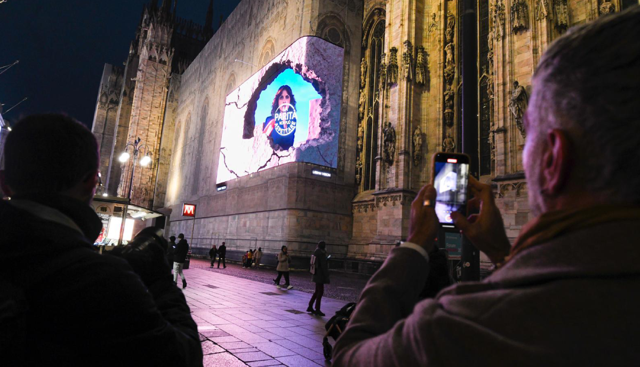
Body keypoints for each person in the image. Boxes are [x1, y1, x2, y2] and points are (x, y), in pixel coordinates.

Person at [333, 8, 640, 366]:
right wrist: (502, 254)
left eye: (529, 136)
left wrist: (414, 245)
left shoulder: (462, 331)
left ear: (554, 159)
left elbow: (349, 358)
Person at [0, 114, 202, 366]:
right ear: (90, 182)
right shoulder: (101, 280)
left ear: (4, 183)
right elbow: (183, 358)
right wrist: (160, 281)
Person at [262, 85, 297, 150]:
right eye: (281, 97)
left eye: (287, 97)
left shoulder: (293, 120)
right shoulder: (270, 120)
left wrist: (284, 121)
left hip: (287, 157)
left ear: (290, 100)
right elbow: (264, 141)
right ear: (277, 101)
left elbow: (288, 141)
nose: (284, 101)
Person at [307, 241, 330, 316]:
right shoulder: (321, 254)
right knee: (320, 292)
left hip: (316, 274)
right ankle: (317, 309)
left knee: (317, 291)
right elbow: (323, 266)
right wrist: (326, 275)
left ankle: (310, 306)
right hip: (320, 275)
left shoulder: (316, 252)